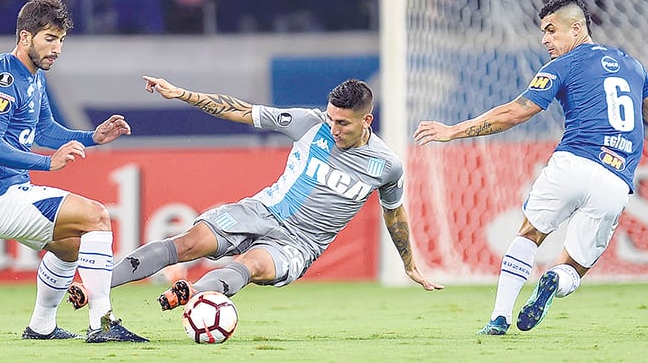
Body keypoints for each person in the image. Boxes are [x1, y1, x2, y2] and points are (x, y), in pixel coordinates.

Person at [413, 0, 648, 336]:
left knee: (529, 234)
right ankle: (554, 279)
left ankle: (499, 317)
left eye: (551, 30)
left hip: (571, 164)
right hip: (615, 181)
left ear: (577, 28)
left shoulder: (561, 67)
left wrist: (453, 130)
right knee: (576, 266)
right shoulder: (634, 66)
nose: (545, 40)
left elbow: (517, 112)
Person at [67, 76, 442, 314]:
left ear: (366, 121)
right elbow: (241, 111)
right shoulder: (311, 124)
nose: (333, 127)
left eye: (342, 123)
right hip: (262, 210)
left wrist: (409, 263)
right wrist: (182, 93)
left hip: (300, 242)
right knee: (187, 242)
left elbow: (394, 214)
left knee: (252, 265)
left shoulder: (386, 166)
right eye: (331, 118)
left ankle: (192, 292)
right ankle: (93, 286)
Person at [0, 0, 147, 343]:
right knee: (96, 216)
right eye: (49, 38)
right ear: (24, 37)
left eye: (61, 40)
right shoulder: (3, 79)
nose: (57, 48)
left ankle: (41, 326)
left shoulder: (33, 76)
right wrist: (47, 163)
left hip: (9, 192)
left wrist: (93, 136)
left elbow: (45, 130)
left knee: (71, 247)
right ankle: (102, 324)